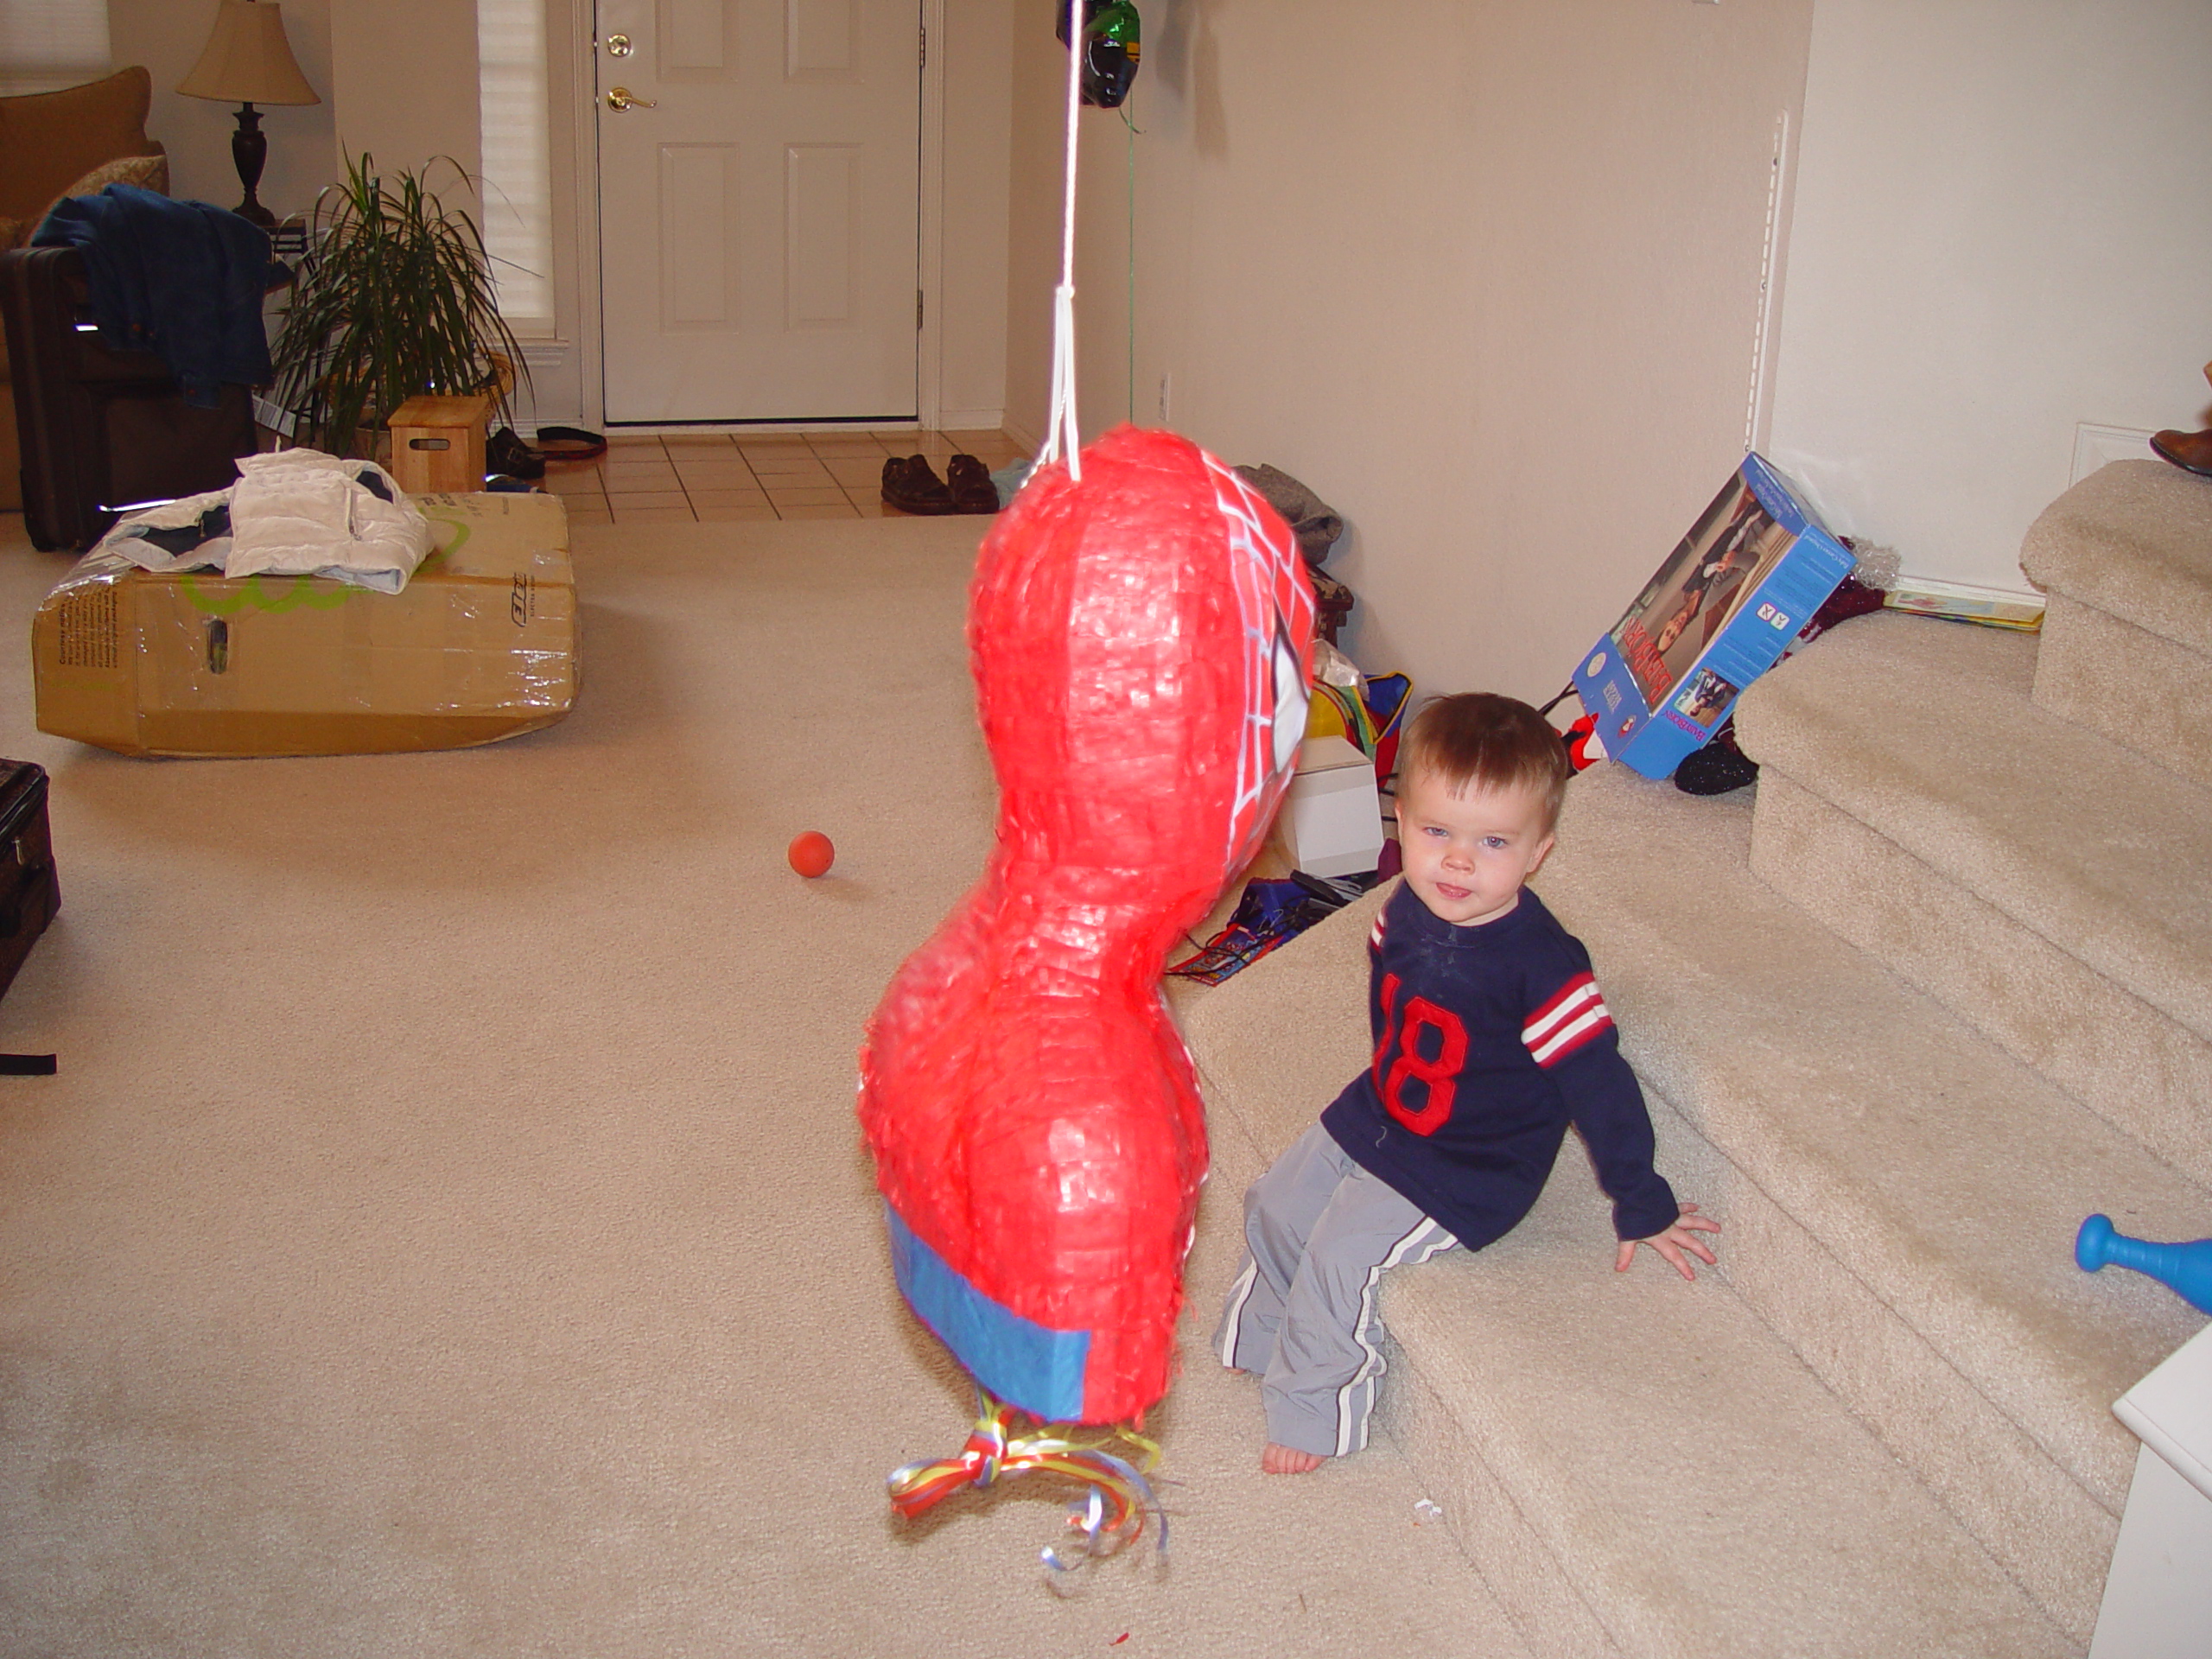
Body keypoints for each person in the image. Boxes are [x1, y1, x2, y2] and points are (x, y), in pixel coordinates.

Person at [1214, 692, 1720, 1473]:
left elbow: (1601, 1087)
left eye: (1491, 842)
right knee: (1275, 1204)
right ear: (1404, 822)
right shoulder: (1397, 912)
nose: (1456, 860)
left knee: (1342, 1256)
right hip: (1385, 1105)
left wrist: (1642, 1201)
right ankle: (1263, 1333)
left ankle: (1314, 1411)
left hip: (1467, 1161)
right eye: (1436, 832)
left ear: (1538, 852)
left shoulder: (1543, 966)